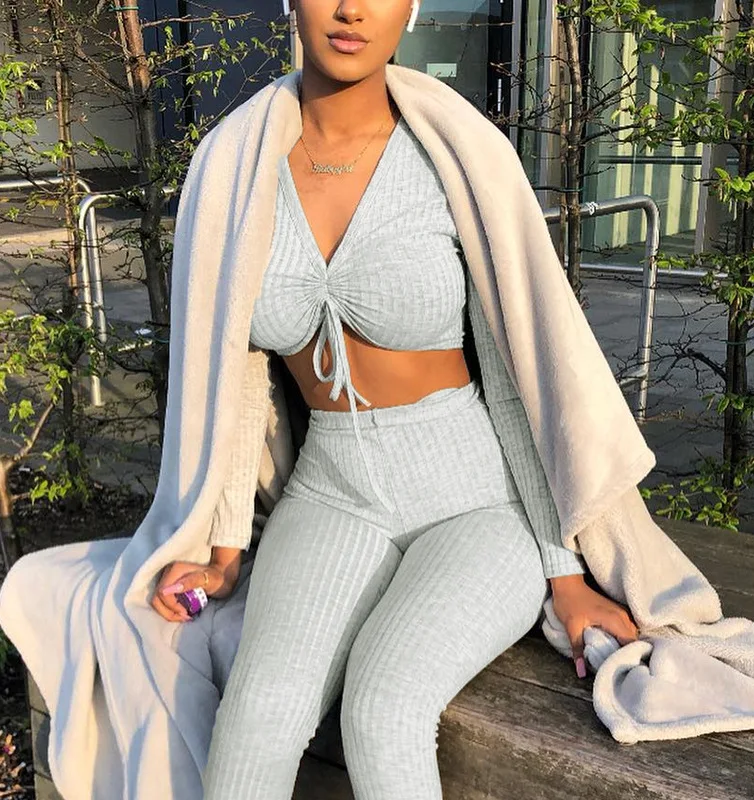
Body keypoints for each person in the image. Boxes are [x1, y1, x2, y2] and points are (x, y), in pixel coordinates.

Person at [149, 1, 639, 797]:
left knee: (382, 709)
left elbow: (515, 376)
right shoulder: (238, 162)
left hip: (477, 503)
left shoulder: (454, 153)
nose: (351, 9)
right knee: (257, 714)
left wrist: (565, 571)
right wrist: (225, 544)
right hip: (332, 490)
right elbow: (237, 377)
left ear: (409, 6)